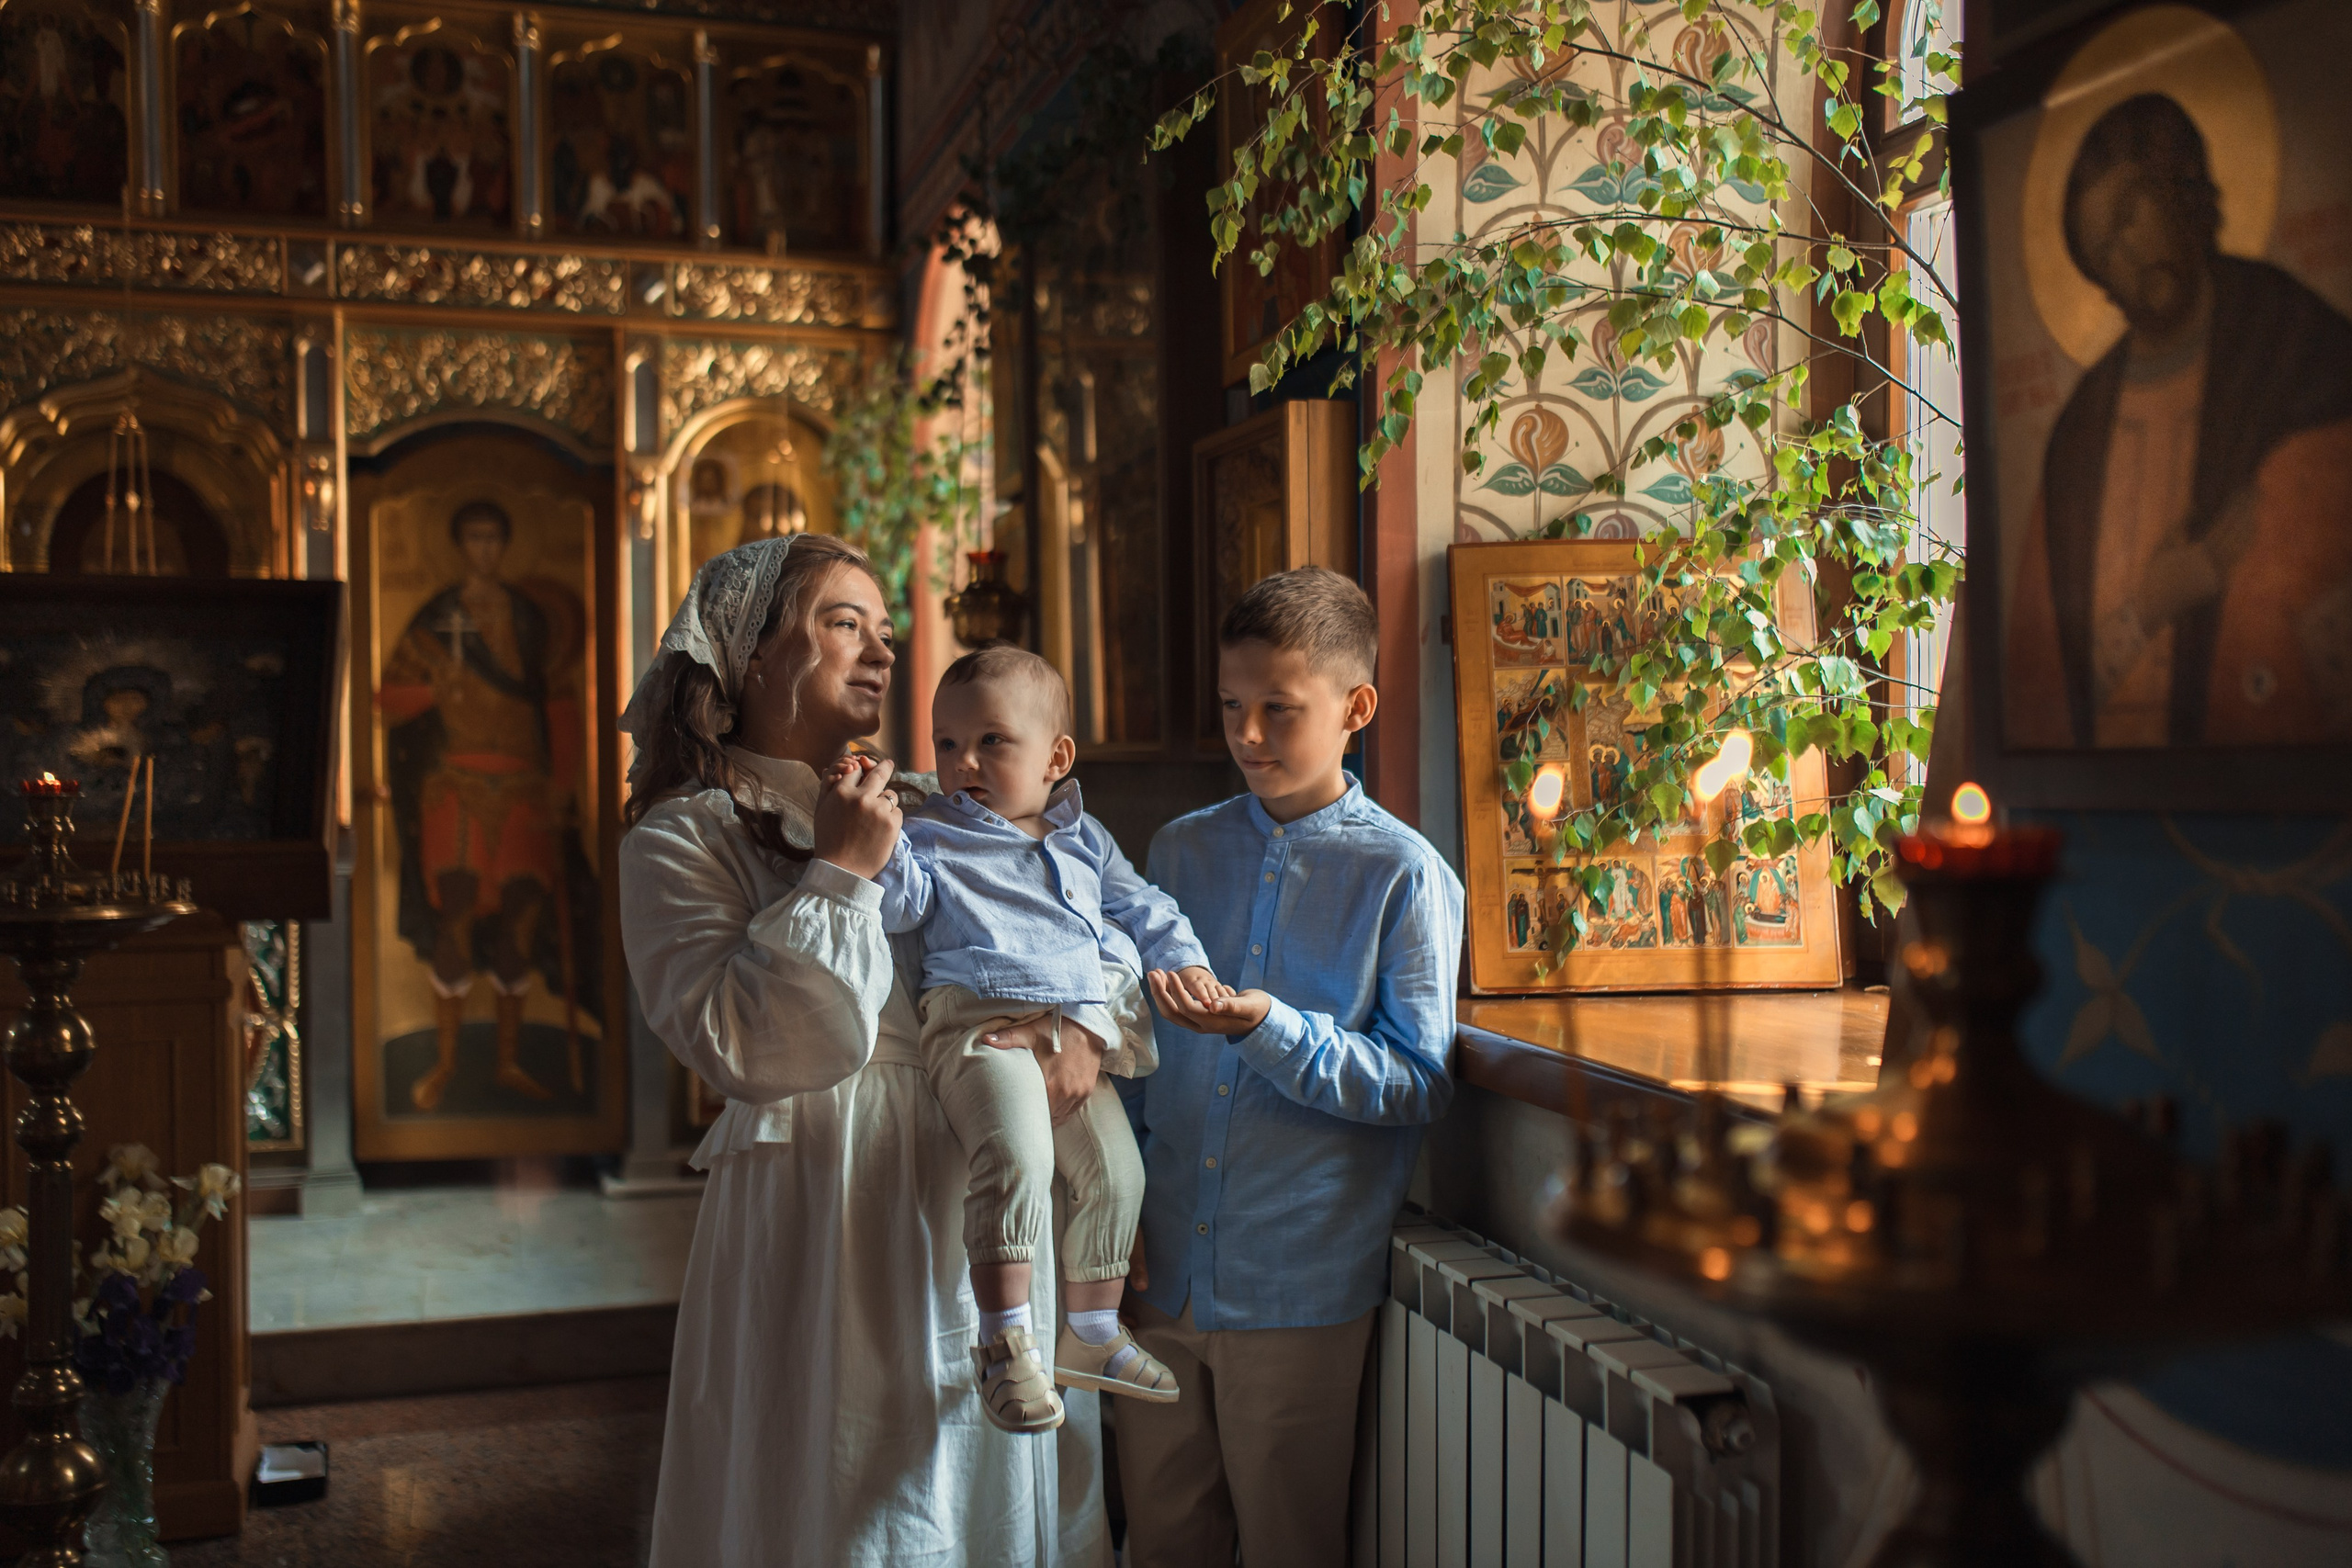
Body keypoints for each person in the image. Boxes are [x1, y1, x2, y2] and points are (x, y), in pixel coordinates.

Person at [617, 535, 1116, 1566]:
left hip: (978, 1193)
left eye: (886, 631)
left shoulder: (944, 805)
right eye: (844, 624)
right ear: (750, 655)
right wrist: (841, 870)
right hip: (820, 1199)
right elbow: (740, 1044)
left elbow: (1073, 916)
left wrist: (1085, 1030)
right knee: (842, 1492)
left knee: (972, 1487)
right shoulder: (684, 836)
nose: (882, 652)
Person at [1117, 566, 1465, 1568]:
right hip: (1159, 1278)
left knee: (1288, 1544)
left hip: (1299, 1288)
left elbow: (1418, 1082)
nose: (1249, 735)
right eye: (1233, 707)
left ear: (1355, 707)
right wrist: (1122, 1216)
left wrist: (1269, 1026)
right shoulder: (1176, 857)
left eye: (1279, 708)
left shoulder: (1405, 877)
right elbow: (1139, 1061)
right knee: (1164, 1535)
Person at [854, 644, 1216, 1434]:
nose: (963, 761)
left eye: (991, 740)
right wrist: (877, 842)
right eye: (946, 743)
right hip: (975, 1018)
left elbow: (1143, 909)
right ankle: (1004, 1340)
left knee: (1120, 1174)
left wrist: (1185, 961)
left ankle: (1089, 1333)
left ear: (1056, 757)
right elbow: (901, 906)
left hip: (1072, 1026)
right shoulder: (933, 829)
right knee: (1015, 1157)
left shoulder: (1086, 838)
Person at [2007, 92, 2352, 748]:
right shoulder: (2080, 434)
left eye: (2131, 213)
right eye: (2105, 249)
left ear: (2180, 188)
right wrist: (2149, 607)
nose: (2130, 256)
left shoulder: (2292, 344)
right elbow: (2040, 690)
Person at [379, 499, 587, 1111]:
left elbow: (560, 702)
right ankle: (445, 1063)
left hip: (524, 785)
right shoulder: (436, 619)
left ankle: (508, 1061)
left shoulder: (529, 616)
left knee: (522, 918)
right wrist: (430, 690)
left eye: (495, 537)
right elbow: (387, 699)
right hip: (455, 786)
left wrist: (564, 786)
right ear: (458, 544)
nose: (485, 549)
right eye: (474, 537)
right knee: (458, 913)